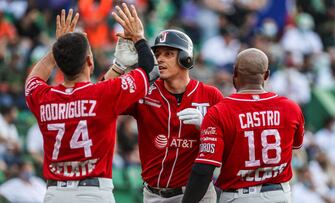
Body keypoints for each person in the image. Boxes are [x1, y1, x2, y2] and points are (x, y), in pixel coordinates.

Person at [24, 5, 158, 203]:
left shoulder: (44, 96)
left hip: (55, 194)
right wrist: (138, 37)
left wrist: (59, 48)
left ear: (59, 63)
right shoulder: (103, 95)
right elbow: (150, 70)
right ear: (89, 61)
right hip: (93, 193)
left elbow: (33, 79)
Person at [105, 4, 223, 202]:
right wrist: (119, 66)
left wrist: (208, 127)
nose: (160, 59)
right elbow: (104, 101)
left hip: (197, 194)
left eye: (168, 54)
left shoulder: (210, 95)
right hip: (154, 195)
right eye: (158, 54)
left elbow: (231, 140)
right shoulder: (146, 89)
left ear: (186, 58)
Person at [182, 48, 305, 203]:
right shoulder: (291, 108)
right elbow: (296, 146)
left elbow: (204, 170)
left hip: (239, 196)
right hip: (279, 194)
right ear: (266, 75)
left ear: (235, 74)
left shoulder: (219, 111)